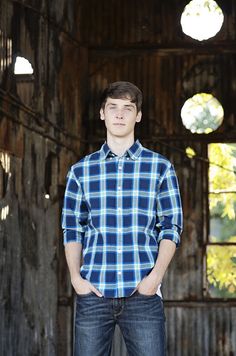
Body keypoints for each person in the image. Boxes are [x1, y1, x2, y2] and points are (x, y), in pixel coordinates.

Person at [61, 81, 183, 356]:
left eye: (127, 108)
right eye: (113, 107)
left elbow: (171, 227)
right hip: (93, 294)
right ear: (102, 113)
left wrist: (155, 279)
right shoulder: (80, 171)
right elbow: (72, 229)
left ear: (138, 115)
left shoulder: (160, 168)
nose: (119, 115)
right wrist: (75, 279)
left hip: (143, 293)